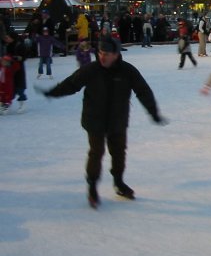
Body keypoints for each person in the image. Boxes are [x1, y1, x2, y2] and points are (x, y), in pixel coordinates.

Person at [36, 36, 166, 208]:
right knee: (96, 152)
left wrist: (154, 113)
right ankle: (92, 186)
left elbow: (143, 92)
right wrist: (53, 92)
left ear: (116, 54)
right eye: (100, 53)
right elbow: (71, 84)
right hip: (94, 120)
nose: (102, 57)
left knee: (119, 152)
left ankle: (118, 182)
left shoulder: (127, 71)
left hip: (117, 120)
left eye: (106, 54)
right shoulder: (91, 69)